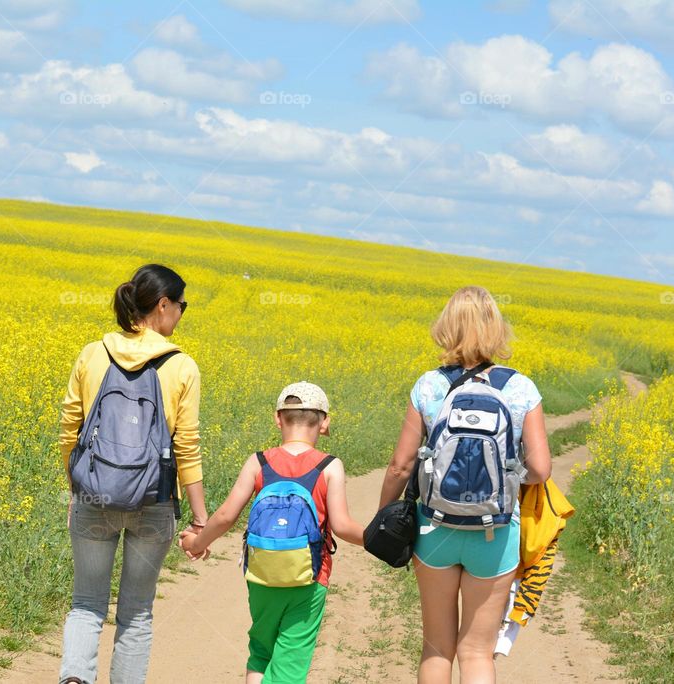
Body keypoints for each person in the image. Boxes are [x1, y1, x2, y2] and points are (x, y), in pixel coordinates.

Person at [378, 286, 551, 684]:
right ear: (496, 328)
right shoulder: (521, 388)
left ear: (447, 327)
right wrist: (504, 479)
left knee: (437, 647)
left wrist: (384, 515)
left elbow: (400, 466)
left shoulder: (429, 386)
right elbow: (540, 469)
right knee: (476, 653)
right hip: (494, 533)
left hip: (435, 529)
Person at [58, 264, 209, 684]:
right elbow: (187, 447)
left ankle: (74, 678)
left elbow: (70, 427)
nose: (181, 313)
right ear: (163, 306)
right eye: (181, 306)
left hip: (94, 494)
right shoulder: (182, 366)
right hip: (153, 501)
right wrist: (200, 519)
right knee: (137, 612)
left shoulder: (93, 352)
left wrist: (77, 487)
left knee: (86, 603)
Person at [180, 382, 364, 684]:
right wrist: (379, 539)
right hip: (309, 578)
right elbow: (343, 527)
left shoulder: (259, 462)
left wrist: (197, 542)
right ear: (325, 422)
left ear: (278, 418)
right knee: (291, 658)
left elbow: (226, 516)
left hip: (262, 574)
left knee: (262, 650)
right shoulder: (330, 467)